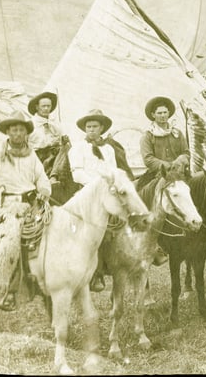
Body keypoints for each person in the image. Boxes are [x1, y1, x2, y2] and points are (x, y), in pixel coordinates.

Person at [0, 110, 52, 310]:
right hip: (6, 207)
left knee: (54, 231)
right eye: (14, 129)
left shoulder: (31, 155)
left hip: (31, 204)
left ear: (26, 133)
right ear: (7, 131)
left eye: (21, 130)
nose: (18, 134)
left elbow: (42, 178)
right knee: (8, 239)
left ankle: (49, 282)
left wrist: (43, 191)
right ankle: (3, 289)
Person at [69, 108, 133, 292]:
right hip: (86, 193)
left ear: (102, 128)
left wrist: (113, 185)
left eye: (95, 126)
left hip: (107, 191)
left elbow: (112, 170)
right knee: (91, 230)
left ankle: (137, 256)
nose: (91, 130)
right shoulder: (78, 148)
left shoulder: (108, 149)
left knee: (130, 215)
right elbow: (77, 173)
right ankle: (95, 274)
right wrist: (96, 185)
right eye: (88, 127)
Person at [138, 96, 189, 189]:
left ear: (169, 113)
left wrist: (180, 160)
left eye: (165, 112)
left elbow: (186, 152)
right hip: (157, 175)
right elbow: (148, 159)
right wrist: (167, 166)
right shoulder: (148, 136)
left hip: (179, 172)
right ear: (153, 115)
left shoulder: (177, 133)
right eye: (159, 113)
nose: (163, 115)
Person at [27, 91, 67, 184]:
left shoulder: (55, 124)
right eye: (43, 106)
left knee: (67, 147)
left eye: (48, 106)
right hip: (39, 156)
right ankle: (53, 176)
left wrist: (64, 141)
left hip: (55, 155)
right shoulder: (29, 124)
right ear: (37, 107)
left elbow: (61, 142)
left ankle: (54, 177)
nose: (46, 109)